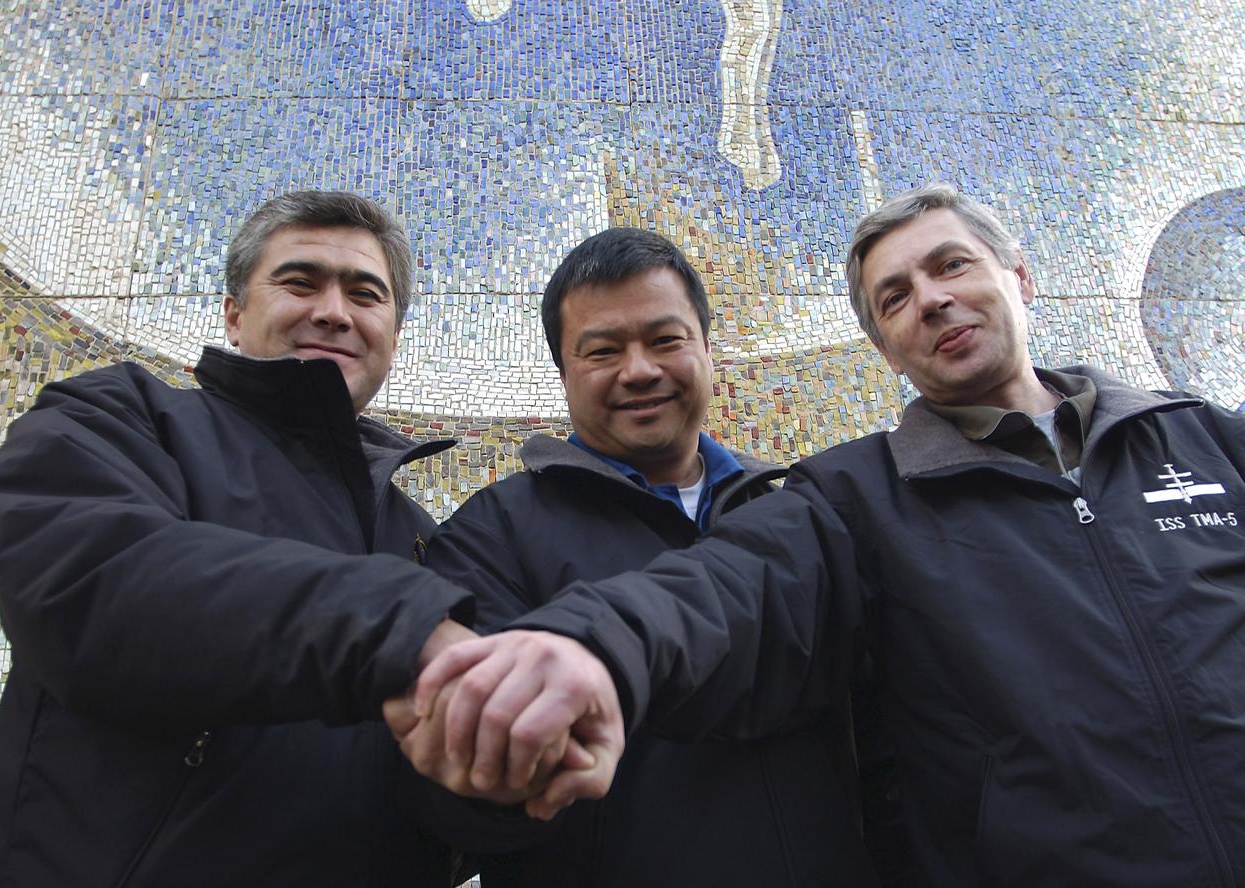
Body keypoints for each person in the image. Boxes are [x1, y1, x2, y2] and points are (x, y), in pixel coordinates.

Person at [415, 184, 1245, 886]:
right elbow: (725, 591)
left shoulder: (1211, 441)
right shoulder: (850, 502)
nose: (932, 299)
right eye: (894, 296)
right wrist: (577, 653)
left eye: (952, 264)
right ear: (884, 345)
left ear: (1019, 277)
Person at [0, 190, 616, 886]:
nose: (333, 311)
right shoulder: (118, 420)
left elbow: (443, 821)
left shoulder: (427, 544)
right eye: (300, 282)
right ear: (234, 314)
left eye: (366, 294)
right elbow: (91, 585)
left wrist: (504, 779)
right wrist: (405, 633)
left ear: (393, 336)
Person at [392, 227, 875, 886]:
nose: (639, 369)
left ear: (708, 348)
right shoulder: (491, 534)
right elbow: (458, 795)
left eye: (665, 340)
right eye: (603, 350)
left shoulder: (796, 510)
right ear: (564, 374)